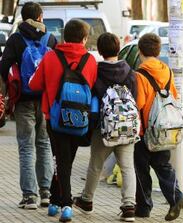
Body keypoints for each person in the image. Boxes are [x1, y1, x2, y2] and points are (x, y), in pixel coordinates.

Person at [29, 19, 97, 222]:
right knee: (65, 159)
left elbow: (34, 85)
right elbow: (92, 86)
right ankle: (55, 201)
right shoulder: (90, 61)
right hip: (80, 118)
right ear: (84, 38)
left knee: (62, 160)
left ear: (63, 36)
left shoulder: (51, 57)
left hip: (55, 118)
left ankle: (65, 204)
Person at [73, 32, 137, 222]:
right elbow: (136, 99)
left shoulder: (97, 71)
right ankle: (129, 206)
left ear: (100, 51)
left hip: (104, 128)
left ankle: (87, 200)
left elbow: (92, 98)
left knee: (96, 165)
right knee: (127, 167)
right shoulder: (130, 72)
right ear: (118, 49)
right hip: (126, 126)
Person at [0, 1, 57, 209]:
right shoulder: (50, 39)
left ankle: (29, 196)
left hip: (23, 101)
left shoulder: (15, 39)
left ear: (24, 18)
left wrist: (8, 92)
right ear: (40, 17)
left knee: (26, 147)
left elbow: (4, 67)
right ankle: (46, 193)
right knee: (44, 144)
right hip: (45, 101)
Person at [134, 33, 183, 221]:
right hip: (165, 129)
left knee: (141, 169)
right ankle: (176, 197)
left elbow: (138, 103)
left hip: (145, 130)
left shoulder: (140, 74)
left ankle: (144, 207)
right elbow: (172, 95)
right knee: (163, 166)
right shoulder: (167, 71)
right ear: (158, 51)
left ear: (140, 51)